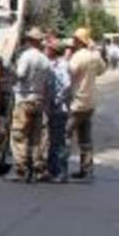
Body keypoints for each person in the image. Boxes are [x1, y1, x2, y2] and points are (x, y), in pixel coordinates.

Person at [6, 27, 52, 183]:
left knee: (20, 135)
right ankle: (39, 169)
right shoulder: (45, 59)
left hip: (24, 100)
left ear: (30, 41)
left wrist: (10, 69)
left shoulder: (27, 56)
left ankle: (21, 170)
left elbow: (20, 75)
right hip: (39, 100)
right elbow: (48, 83)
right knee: (38, 137)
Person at [67, 28, 107, 180]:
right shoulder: (95, 56)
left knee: (65, 135)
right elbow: (102, 70)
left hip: (76, 103)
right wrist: (95, 51)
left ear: (79, 41)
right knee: (85, 139)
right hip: (89, 103)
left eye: (74, 39)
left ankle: (60, 168)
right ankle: (87, 170)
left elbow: (69, 73)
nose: (73, 42)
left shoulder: (78, 56)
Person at [46, 40, 72, 183]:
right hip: (53, 107)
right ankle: (53, 170)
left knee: (59, 141)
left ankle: (61, 172)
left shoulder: (62, 65)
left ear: (54, 51)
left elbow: (67, 85)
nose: (46, 50)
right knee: (54, 140)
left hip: (59, 108)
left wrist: (58, 99)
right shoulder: (53, 64)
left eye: (49, 48)